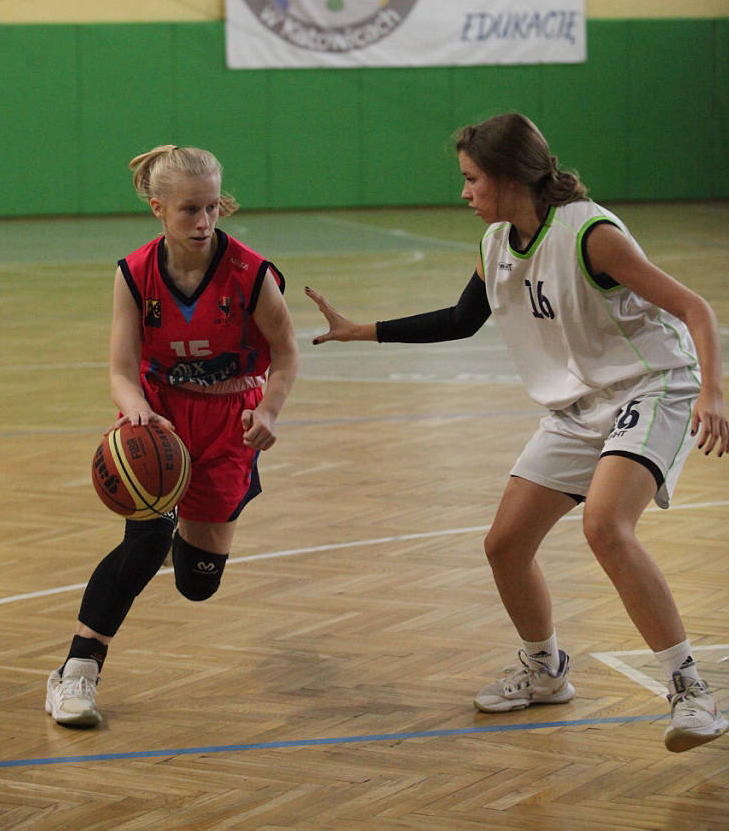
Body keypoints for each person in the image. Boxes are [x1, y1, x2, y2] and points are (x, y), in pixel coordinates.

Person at [306, 112, 728, 754]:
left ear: (508, 178)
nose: (464, 192)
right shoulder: (497, 243)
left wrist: (713, 392)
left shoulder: (590, 234)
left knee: (605, 526)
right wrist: (359, 330)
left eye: (472, 179)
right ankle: (545, 670)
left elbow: (693, 307)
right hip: (578, 404)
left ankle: (691, 690)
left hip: (652, 386)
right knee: (505, 545)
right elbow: (460, 319)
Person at [46, 145, 299, 728]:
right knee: (144, 541)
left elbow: (285, 353)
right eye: (189, 209)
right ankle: (76, 672)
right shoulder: (134, 274)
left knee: (197, 585)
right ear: (157, 207)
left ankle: (181, 529)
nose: (204, 221)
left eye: (212, 207)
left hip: (231, 420)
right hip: (159, 418)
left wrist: (270, 411)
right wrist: (136, 410)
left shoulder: (251, 274)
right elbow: (120, 370)